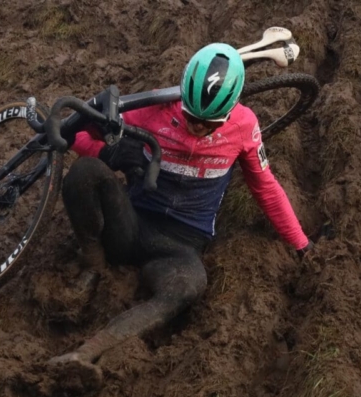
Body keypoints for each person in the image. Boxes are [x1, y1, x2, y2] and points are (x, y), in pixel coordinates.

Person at [49, 43, 313, 375]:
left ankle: (87, 353)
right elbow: (77, 133)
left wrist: (301, 244)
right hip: (131, 222)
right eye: (190, 117)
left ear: (229, 113)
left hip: (179, 246)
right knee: (85, 172)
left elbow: (266, 187)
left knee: (189, 286)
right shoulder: (154, 107)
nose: (196, 127)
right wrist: (104, 152)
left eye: (208, 123)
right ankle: (93, 266)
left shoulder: (245, 126)